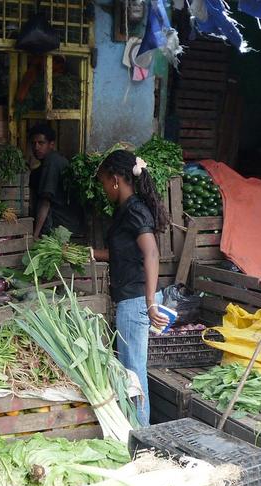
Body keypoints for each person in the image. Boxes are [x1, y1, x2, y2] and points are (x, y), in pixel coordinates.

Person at [91, 150, 169, 426]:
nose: (103, 189)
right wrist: (91, 253)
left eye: (103, 183)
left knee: (133, 372)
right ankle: (137, 430)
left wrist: (149, 303)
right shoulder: (125, 210)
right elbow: (123, 252)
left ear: (115, 180)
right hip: (134, 300)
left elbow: (151, 253)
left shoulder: (135, 210)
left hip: (136, 301)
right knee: (130, 370)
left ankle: (141, 435)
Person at [28, 123, 83, 239]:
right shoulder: (40, 169)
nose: (36, 147)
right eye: (33, 143)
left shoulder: (52, 161)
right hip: (64, 226)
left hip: (62, 228)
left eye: (41, 143)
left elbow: (45, 202)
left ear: (51, 145)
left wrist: (34, 235)